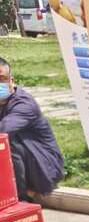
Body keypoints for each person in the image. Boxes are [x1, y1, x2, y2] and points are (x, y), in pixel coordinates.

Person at [0, 57, 64, 201]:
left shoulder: (24, 104)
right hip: (26, 158)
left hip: (42, 165)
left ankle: (21, 198)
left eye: (1, 79)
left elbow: (3, 130)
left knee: (6, 143)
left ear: (11, 81)